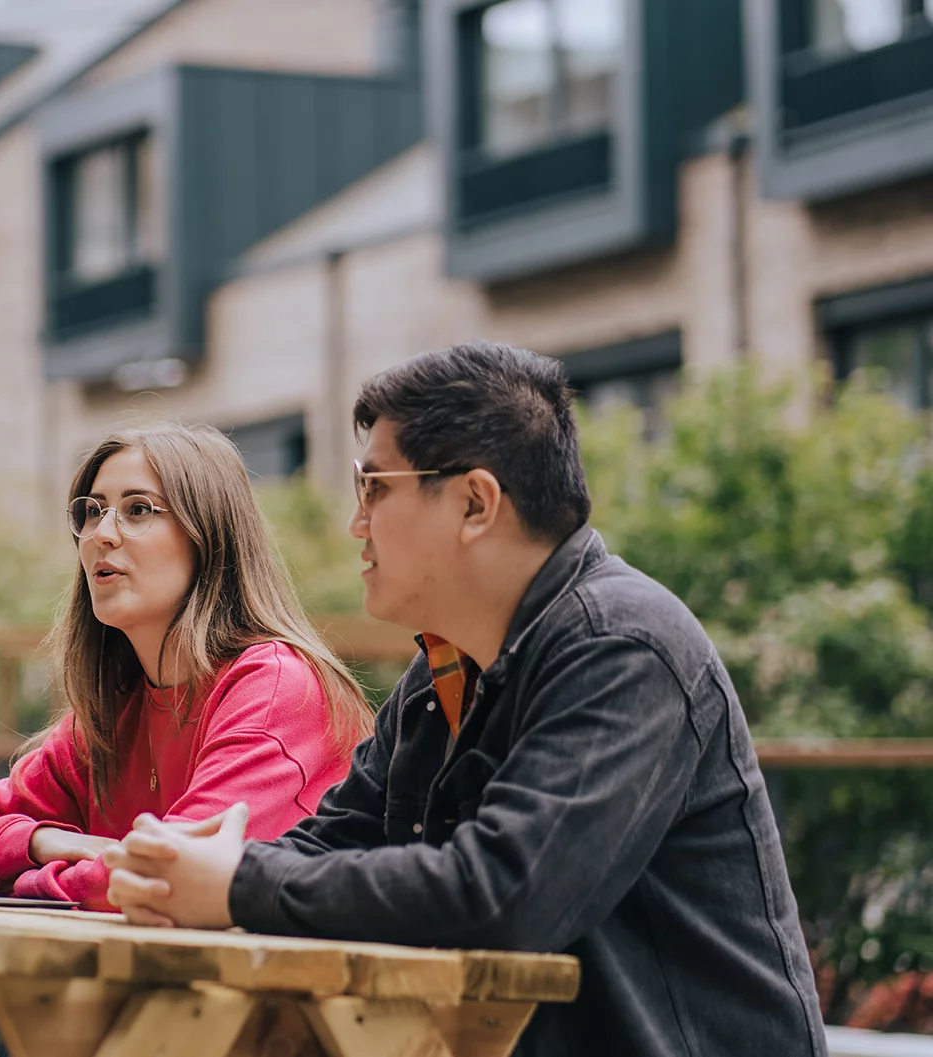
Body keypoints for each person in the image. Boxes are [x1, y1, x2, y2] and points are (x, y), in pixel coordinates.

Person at [103, 344, 828, 1056]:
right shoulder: (442, 671)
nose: (357, 523)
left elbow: (502, 895)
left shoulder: (625, 647)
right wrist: (191, 870)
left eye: (375, 487)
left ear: (475, 502)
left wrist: (239, 884)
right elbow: (333, 840)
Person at [0, 423, 372, 913]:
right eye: (92, 512)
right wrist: (42, 841)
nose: (101, 535)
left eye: (138, 510)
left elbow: (168, 875)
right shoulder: (109, 715)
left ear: (209, 536)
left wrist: (19, 889)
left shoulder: (276, 688)